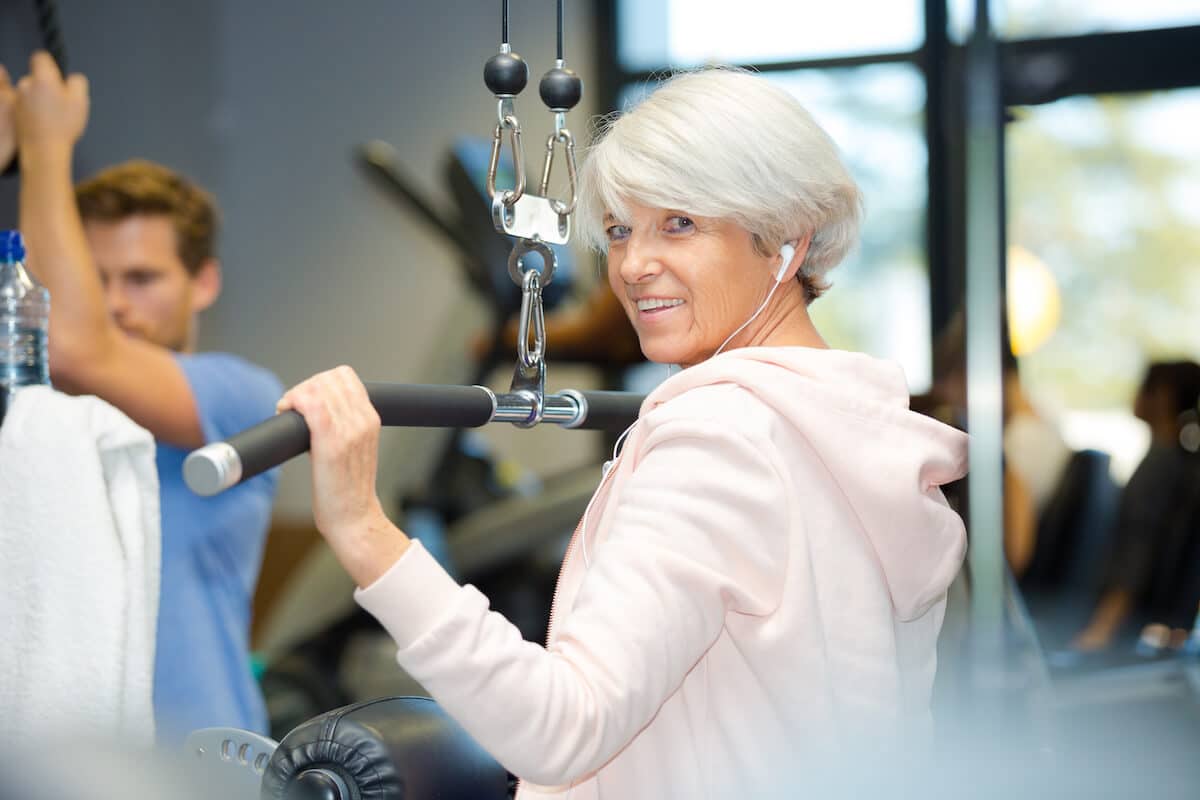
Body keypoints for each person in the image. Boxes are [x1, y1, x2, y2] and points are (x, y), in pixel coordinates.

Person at [278, 68, 969, 798]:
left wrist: (362, 531)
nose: (634, 265)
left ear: (787, 240)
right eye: (618, 230)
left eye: (680, 223)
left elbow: (559, 727)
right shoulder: (846, 428)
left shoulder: (718, 438)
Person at [0, 53, 282, 743]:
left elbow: (71, 342)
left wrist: (43, 147)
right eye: (92, 278)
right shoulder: (35, 418)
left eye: (142, 278)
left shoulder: (243, 398)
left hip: (202, 767)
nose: (114, 305)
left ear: (204, 282)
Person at [1072, 360, 1200, 652]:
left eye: (1143, 386)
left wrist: (1101, 629)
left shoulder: (1160, 466)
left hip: (1124, 627)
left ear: (1163, 395)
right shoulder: (1179, 460)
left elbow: (1137, 549)